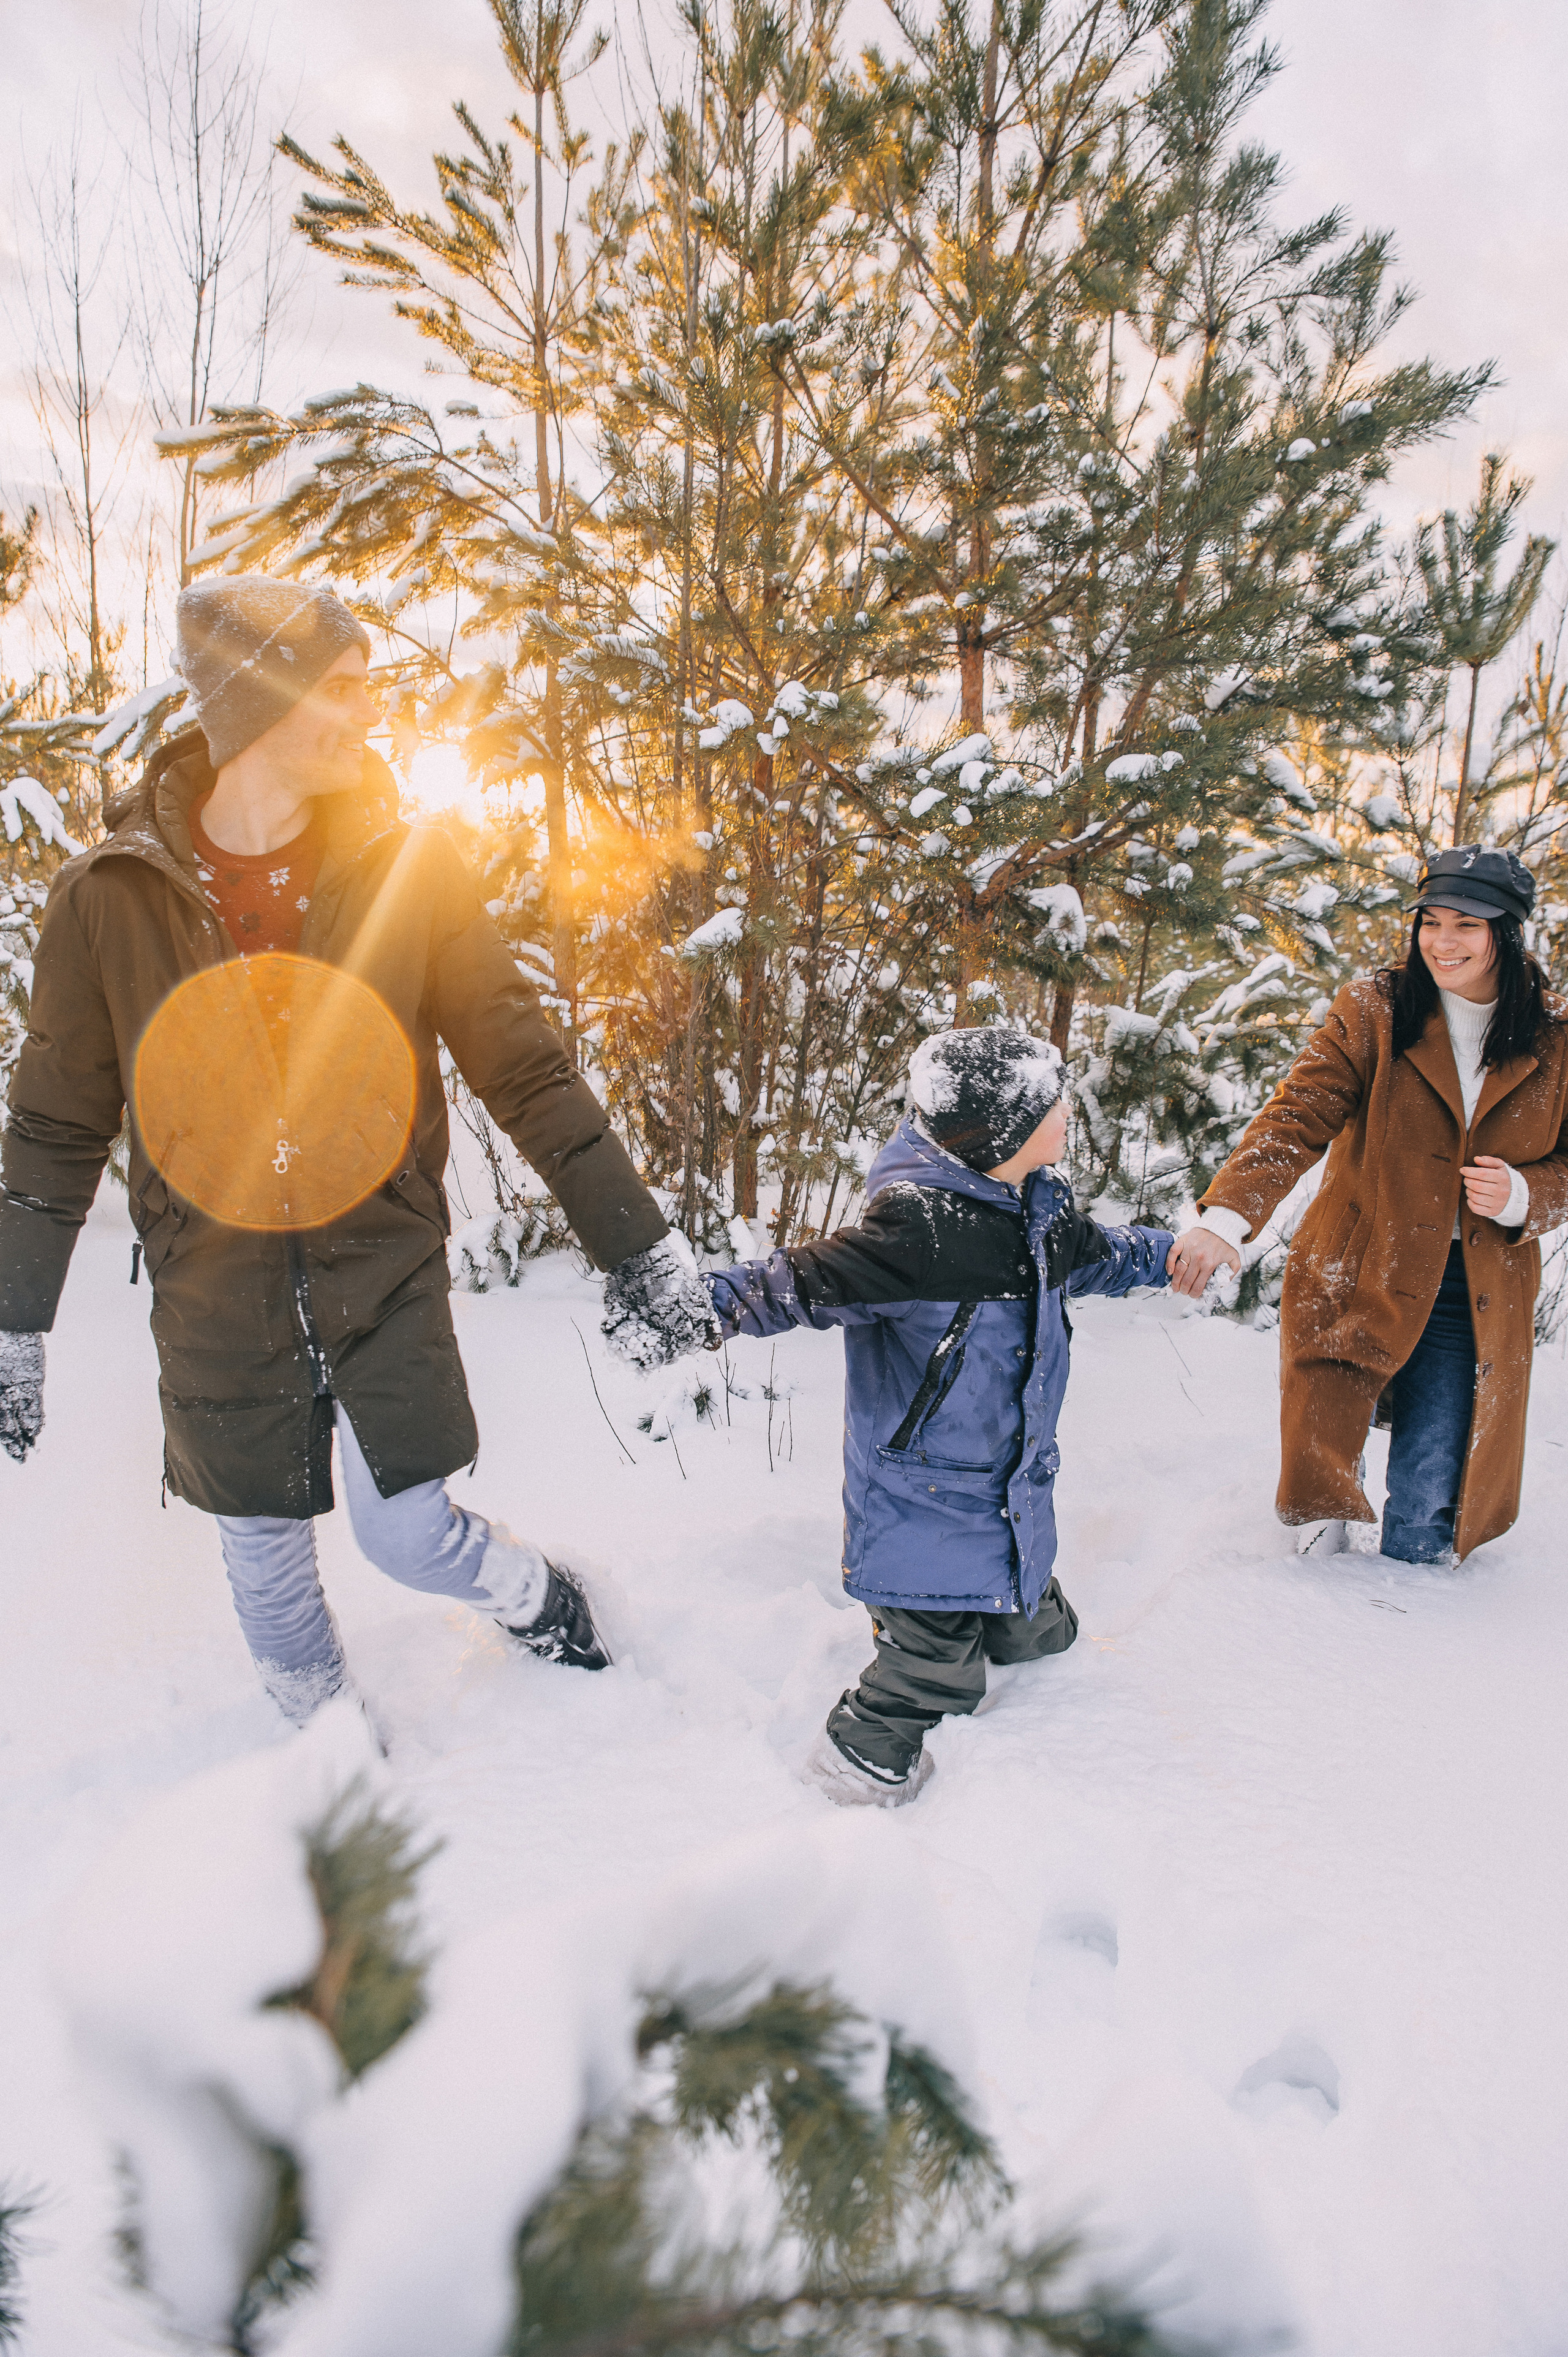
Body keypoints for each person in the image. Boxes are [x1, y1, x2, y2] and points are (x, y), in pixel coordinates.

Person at [0, 575, 717, 1723]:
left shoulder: (407, 868)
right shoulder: (107, 900)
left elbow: (522, 1067)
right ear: (261, 702)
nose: (367, 713)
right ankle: (333, 1757)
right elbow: (54, 1124)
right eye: (343, 689)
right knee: (271, 1580)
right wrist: (14, 1319)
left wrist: (638, 1247)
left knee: (408, 1534)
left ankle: (544, 1600)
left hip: (381, 1252)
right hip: (212, 1279)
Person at [701, 1028, 1172, 1806]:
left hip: (1009, 1504)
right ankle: (844, 1780)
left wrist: (1171, 1254)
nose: (1067, 1111)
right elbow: (792, 1281)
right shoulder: (915, 1235)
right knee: (935, 1676)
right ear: (1002, 1132)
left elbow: (1105, 1254)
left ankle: (1036, 1727)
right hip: (918, 1511)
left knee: (1043, 1640)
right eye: (1051, 1103)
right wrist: (701, 1308)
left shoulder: (1040, 1214)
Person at [1167, 847, 1568, 1564]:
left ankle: (1406, 1633)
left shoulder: (1555, 1036)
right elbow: (1296, 1116)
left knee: (1430, 1502)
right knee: (1321, 1472)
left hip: (1469, 1285)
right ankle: (1311, 1591)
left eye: (1466, 927)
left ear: (1504, 934)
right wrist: (1226, 1220)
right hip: (1359, 1261)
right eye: (1431, 923)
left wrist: (1526, 1195)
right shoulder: (1375, 1011)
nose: (1442, 942)